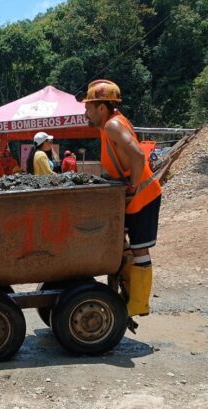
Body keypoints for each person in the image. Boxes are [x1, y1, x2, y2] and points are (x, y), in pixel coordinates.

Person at [82, 79, 162, 318]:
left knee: (140, 250)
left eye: (88, 107)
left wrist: (133, 187)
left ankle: (138, 304)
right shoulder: (109, 126)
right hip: (134, 197)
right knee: (126, 246)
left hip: (143, 196)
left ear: (102, 108)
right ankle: (128, 295)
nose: (85, 111)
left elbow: (138, 156)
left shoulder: (113, 126)